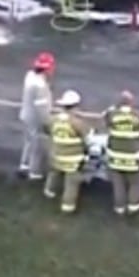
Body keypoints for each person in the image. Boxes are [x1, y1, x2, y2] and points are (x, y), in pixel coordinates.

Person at [44, 90, 90, 214]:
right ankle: (67, 206)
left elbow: (46, 130)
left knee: (54, 174)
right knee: (72, 182)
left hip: (55, 156)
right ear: (75, 106)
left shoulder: (53, 120)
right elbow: (87, 139)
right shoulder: (77, 123)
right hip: (72, 160)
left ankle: (49, 192)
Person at [18, 51, 54, 180]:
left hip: (25, 114)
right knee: (37, 146)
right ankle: (34, 173)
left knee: (28, 142)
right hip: (35, 119)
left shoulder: (29, 76)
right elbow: (42, 108)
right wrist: (47, 122)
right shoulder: (40, 86)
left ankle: (24, 165)